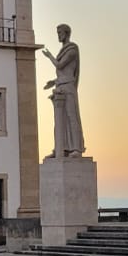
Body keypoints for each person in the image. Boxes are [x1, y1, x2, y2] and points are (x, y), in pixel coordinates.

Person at [41, 23, 85, 157]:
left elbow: (60, 65)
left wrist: (49, 56)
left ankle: (76, 148)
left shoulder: (72, 50)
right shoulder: (63, 51)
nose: (58, 36)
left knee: (71, 116)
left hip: (68, 87)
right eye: (57, 33)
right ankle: (61, 148)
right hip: (60, 85)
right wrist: (53, 82)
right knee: (60, 119)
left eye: (60, 33)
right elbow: (62, 73)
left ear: (66, 33)